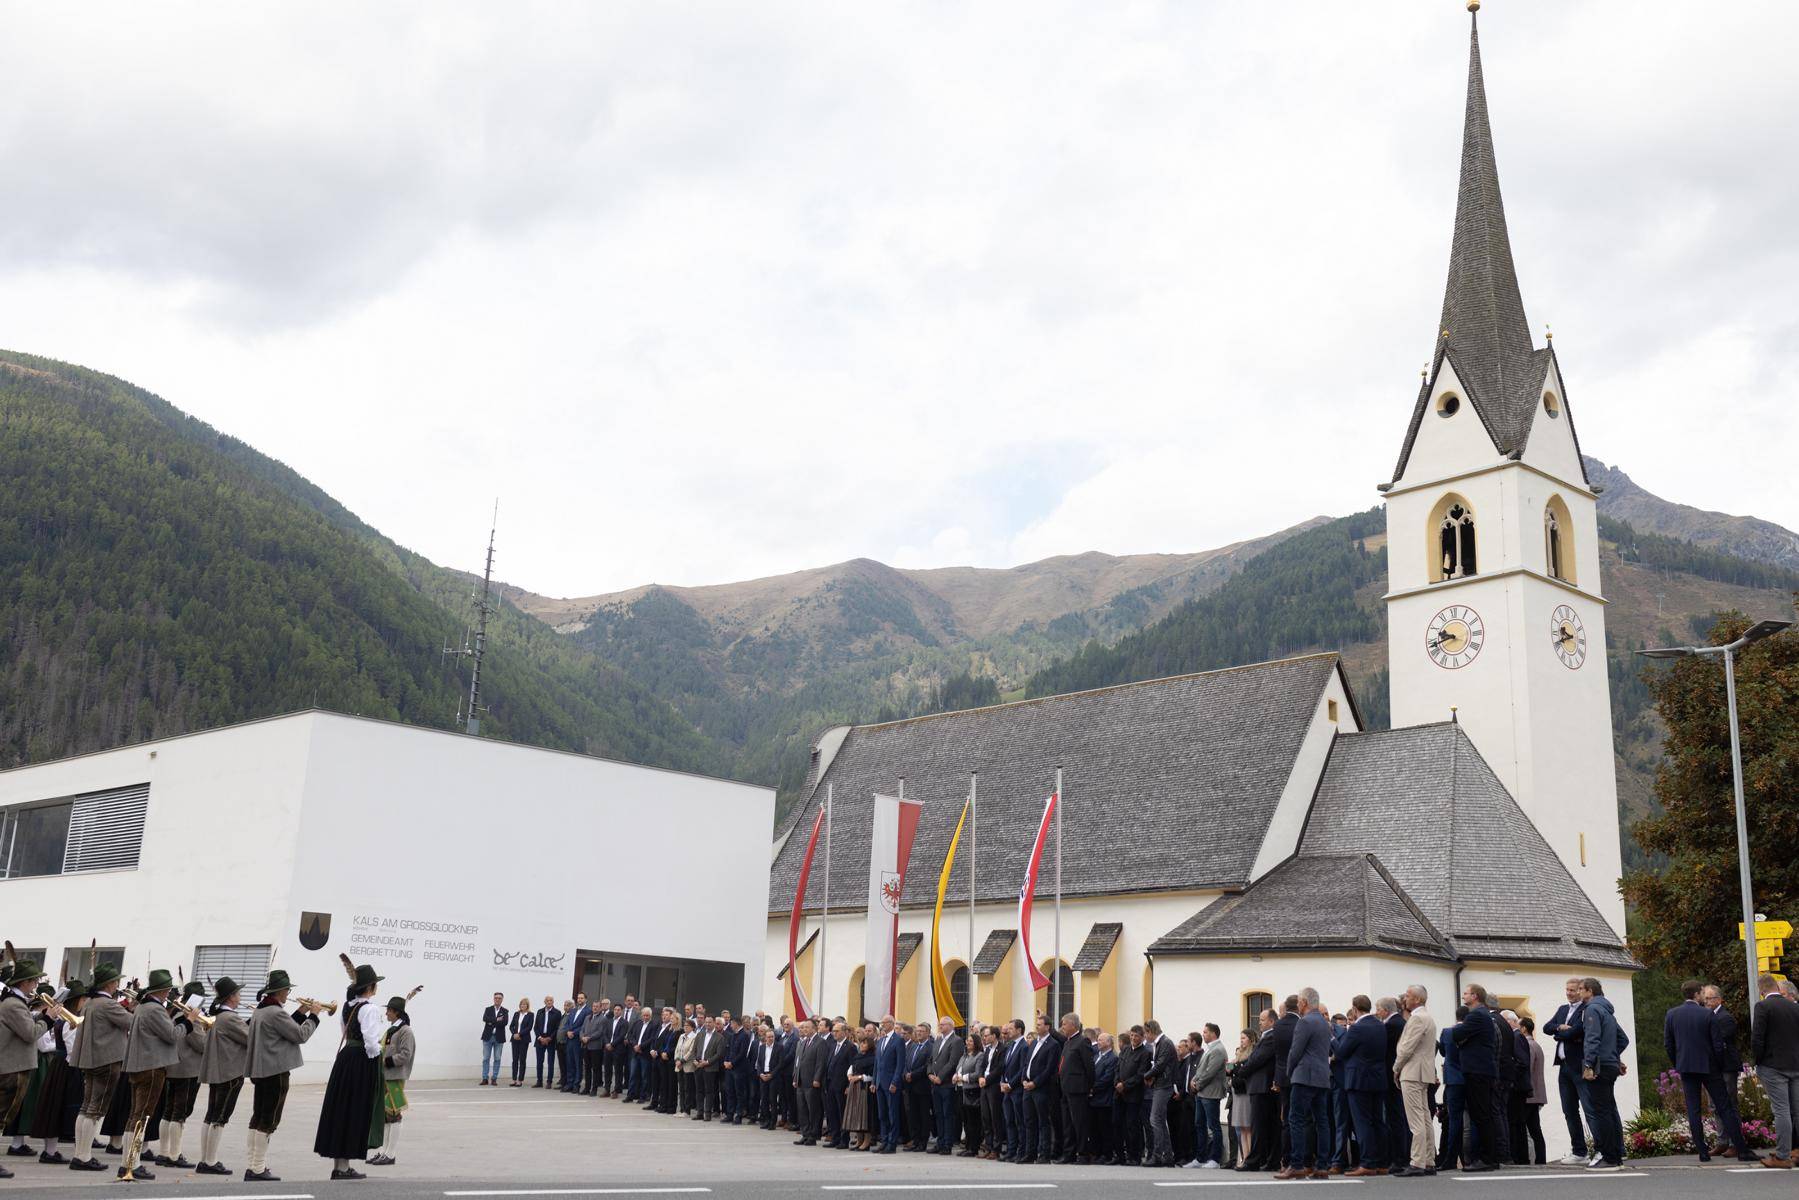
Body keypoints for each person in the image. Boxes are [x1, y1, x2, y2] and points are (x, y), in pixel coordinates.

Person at [243, 971, 321, 1182]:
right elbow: (299, 1035)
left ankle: (252, 1165)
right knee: (269, 1119)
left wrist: (300, 1011)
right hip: (275, 1070)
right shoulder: (276, 1012)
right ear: (279, 991)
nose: (289, 993)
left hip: (262, 1070)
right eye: (287, 990)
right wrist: (313, 1015)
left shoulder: (262, 1010)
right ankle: (258, 1168)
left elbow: (284, 1028)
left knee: (258, 1117)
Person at [312, 962, 386, 1180]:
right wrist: (379, 1055)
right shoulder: (370, 1009)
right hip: (361, 1061)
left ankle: (340, 1166)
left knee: (342, 1109)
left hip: (346, 1058)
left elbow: (345, 1032)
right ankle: (343, 1168)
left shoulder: (348, 1006)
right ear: (371, 987)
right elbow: (371, 1043)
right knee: (354, 1110)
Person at [67, 961, 132, 1173]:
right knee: (96, 1110)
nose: (117, 985)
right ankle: (84, 1157)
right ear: (109, 984)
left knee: (86, 1107)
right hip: (107, 1059)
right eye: (115, 982)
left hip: (90, 1059)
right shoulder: (108, 1004)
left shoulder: (90, 1003)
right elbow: (132, 1023)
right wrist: (136, 1008)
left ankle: (80, 1154)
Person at [117, 968, 179, 1181]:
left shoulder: (142, 1007)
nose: (170, 993)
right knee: (142, 1117)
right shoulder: (155, 1009)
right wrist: (187, 1022)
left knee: (134, 1115)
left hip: (139, 1066)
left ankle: (127, 1162)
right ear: (164, 989)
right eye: (169, 989)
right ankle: (132, 1164)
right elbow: (171, 1035)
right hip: (151, 1067)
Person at [194, 976, 248, 1176]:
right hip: (230, 1071)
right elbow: (250, 1037)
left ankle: (205, 1159)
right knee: (220, 1117)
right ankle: (210, 1160)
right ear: (231, 997)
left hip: (220, 1071)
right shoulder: (230, 1017)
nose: (240, 996)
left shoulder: (220, 1017)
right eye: (238, 993)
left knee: (211, 1116)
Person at [1663, 979, 1720, 1164]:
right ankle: (1741, 1149)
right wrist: (1716, 1063)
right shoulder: (1707, 1014)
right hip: (1708, 1066)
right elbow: (1716, 1044)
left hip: (1686, 1066)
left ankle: (1702, 1151)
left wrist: (1678, 1062)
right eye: (1702, 993)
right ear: (1696, 994)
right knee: (1724, 1105)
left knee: (1693, 1110)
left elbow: (1668, 1044)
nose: (1704, 996)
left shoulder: (1672, 1014)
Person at [0, 959, 47, 1180]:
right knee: (2, 1115)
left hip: (13, 1065)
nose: (36, 984)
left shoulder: (15, 1003)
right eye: (35, 980)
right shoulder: (14, 1004)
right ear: (26, 981)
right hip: (12, 1067)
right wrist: (47, 1019)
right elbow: (29, 1033)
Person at [1277, 988, 1331, 1181]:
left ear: (1305, 1002)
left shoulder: (1305, 1022)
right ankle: (1323, 1166)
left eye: (1299, 1001)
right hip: (1322, 1077)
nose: (1298, 1004)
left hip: (1304, 1076)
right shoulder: (1325, 1024)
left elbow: (1295, 1051)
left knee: (1296, 1119)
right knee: (1322, 1121)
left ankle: (1297, 1164)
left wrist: (1290, 1072)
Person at [29, 979, 85, 1164]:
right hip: (66, 1066)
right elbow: (71, 1047)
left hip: (61, 1065)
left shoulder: (66, 1018)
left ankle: (50, 1151)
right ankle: (50, 1152)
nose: (84, 1002)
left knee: (54, 1107)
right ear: (77, 1001)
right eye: (83, 999)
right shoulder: (70, 1021)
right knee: (56, 1107)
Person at [158, 980, 210, 1169]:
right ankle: (174, 1154)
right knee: (180, 1112)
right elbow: (201, 1044)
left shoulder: (176, 1013)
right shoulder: (192, 1017)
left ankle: (164, 1152)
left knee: (169, 1111)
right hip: (188, 1070)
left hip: (174, 1068)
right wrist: (209, 1033)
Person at [1578, 977, 1626, 1170]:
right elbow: (1623, 1038)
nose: (1580, 992)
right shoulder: (1607, 1011)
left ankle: (1609, 1158)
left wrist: (1588, 1065)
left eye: (1581, 989)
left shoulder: (1591, 1009)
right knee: (1609, 1109)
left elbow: (1592, 1038)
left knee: (1601, 1112)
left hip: (1599, 1066)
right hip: (1610, 1064)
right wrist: (1615, 1057)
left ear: (1590, 991)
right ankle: (1616, 1154)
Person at [1752, 973, 1799, 1169]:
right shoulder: (1794, 1006)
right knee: (1797, 1111)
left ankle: (1782, 1155)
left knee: (1781, 1111)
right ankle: (1794, 1150)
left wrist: (1758, 1062)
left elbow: (1758, 1038)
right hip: (1795, 1065)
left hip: (1773, 1066)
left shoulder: (1763, 1006)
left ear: (1762, 990)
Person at [1541, 978, 1591, 1165]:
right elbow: (1547, 1028)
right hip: (1563, 1067)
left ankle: (1602, 1148)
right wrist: (1560, 1028)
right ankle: (1579, 1151)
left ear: (1580, 991)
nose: (1569, 993)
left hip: (1579, 1065)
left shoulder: (1585, 1009)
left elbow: (1577, 1031)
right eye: (1567, 990)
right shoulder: (1563, 1009)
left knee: (1589, 1108)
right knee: (1569, 1110)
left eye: (1572, 990)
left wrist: (1562, 1033)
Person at [1392, 984, 1438, 1178]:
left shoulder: (1417, 1018)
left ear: (1418, 999)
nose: (1405, 999)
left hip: (1412, 1072)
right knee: (1425, 1118)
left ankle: (1417, 1161)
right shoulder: (1428, 1018)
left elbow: (1407, 1047)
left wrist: (1396, 1068)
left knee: (1416, 1120)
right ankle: (1428, 1160)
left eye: (1409, 996)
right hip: (1424, 1072)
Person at [1454, 985, 1501, 1172]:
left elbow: (1457, 1034)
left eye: (1466, 993)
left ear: (1474, 996)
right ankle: (1487, 1157)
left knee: (1481, 1115)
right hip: (1481, 1070)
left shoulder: (1476, 1015)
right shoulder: (1481, 1015)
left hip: (1477, 1070)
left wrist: (1459, 1031)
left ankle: (1487, 1158)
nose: (1464, 996)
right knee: (1482, 1114)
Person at [1701, 986, 1751, 1161]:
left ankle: (1734, 1143)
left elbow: (1720, 1040)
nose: (1706, 1002)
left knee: (1729, 1104)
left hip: (1726, 1067)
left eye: (1710, 998)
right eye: (1705, 998)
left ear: (1719, 999)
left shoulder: (1725, 1018)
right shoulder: (1707, 1017)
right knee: (1715, 1105)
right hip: (1713, 1068)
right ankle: (1722, 1140)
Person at [1341, 996, 1389, 1177]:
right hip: (1377, 1078)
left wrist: (1332, 1038)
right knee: (1378, 1121)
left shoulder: (1357, 1028)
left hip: (1359, 1080)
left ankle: (1368, 1162)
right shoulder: (1380, 1026)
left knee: (1362, 1123)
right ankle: (1382, 1162)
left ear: (1354, 1009)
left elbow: (1342, 1052)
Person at [368, 995, 416, 1168]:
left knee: (394, 1115)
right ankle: (383, 1152)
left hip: (395, 1077)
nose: (386, 1013)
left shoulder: (405, 1031)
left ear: (396, 1012)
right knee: (386, 1116)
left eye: (388, 1010)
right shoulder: (391, 1030)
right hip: (385, 1077)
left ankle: (391, 1153)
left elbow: (405, 1054)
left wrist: (385, 1061)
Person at [1237, 1010, 1278, 1172]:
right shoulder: (1266, 1037)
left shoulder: (1271, 1037)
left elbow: (1256, 1059)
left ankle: (1254, 1160)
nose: (1259, 1022)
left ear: (1272, 1022)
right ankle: (1267, 1159)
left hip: (1262, 1086)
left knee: (1259, 1125)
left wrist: (1240, 1070)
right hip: (1259, 1086)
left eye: (1262, 1020)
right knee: (1265, 1125)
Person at [1142, 1019, 1176, 1167]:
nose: (1145, 1036)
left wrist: (1146, 1075)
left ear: (1150, 1031)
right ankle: (1167, 1156)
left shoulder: (1165, 1043)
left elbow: (1160, 1064)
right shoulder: (1161, 1043)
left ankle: (1157, 1155)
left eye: (1145, 1033)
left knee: (1154, 1119)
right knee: (1160, 1121)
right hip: (1161, 1084)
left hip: (1164, 1085)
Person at [1434, 1007, 1465, 1171]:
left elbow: (1444, 1053)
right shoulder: (1472, 1030)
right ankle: (1469, 1157)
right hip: (1470, 1078)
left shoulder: (1447, 1032)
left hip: (1453, 1079)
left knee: (1454, 1120)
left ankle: (1450, 1158)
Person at [1191, 1023, 1226, 1168]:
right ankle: (1200, 1158)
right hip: (1202, 1093)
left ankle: (1215, 1159)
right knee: (1200, 1125)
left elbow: (1210, 1072)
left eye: (1205, 1032)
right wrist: (1193, 1080)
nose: (1203, 1034)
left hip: (1210, 1093)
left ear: (1213, 1034)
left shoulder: (1218, 1049)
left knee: (1213, 1126)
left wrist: (1197, 1084)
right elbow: (1201, 1070)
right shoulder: (1210, 1049)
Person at [928, 1017, 961, 1155]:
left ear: (950, 1025)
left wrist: (940, 1077)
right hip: (935, 1084)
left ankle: (947, 1143)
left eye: (942, 1024)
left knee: (948, 1114)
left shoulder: (956, 1041)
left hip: (946, 1084)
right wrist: (930, 1073)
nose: (940, 1026)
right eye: (939, 1024)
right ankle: (940, 1142)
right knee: (938, 1114)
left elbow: (952, 1062)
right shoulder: (938, 1040)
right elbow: (930, 1060)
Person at [792, 1018, 827, 1146]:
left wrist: (817, 1079)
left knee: (813, 1110)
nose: (805, 1030)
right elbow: (797, 1062)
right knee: (802, 1110)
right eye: (803, 1027)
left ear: (814, 1028)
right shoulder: (802, 1042)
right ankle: (805, 1134)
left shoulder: (820, 1043)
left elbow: (820, 1063)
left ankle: (813, 1135)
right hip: (800, 1081)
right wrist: (795, 1078)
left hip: (812, 1082)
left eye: (807, 1027)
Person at [1115, 1025, 1146, 1165]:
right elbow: (1117, 1069)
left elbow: (1140, 1075)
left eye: (1136, 1036)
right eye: (1132, 1035)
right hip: (1119, 1094)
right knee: (1119, 1125)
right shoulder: (1126, 1050)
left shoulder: (1144, 1053)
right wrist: (1117, 1082)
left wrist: (1125, 1085)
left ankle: (1135, 1156)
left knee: (1132, 1126)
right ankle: (1122, 1155)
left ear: (1142, 1037)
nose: (1133, 1038)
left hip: (1133, 1095)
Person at [1519, 1017, 1547, 1164]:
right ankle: (1540, 1159)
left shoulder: (1528, 1045)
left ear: (1524, 1028)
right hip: (1537, 1094)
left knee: (1527, 1129)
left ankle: (1530, 1159)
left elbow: (1527, 1068)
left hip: (1530, 1094)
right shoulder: (1536, 1044)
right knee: (1535, 1128)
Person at [843, 1030, 874, 1151]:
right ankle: (859, 1140)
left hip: (864, 1088)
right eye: (861, 1043)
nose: (862, 1045)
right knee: (856, 1115)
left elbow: (872, 1074)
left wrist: (860, 1077)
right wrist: (850, 1076)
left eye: (865, 1043)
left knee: (864, 1115)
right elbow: (851, 1068)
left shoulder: (872, 1058)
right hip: (854, 1087)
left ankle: (867, 1141)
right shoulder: (858, 1056)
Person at [1227, 1030, 1253, 1168]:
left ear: (1250, 1039)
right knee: (1241, 1127)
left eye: (1244, 1038)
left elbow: (1244, 1074)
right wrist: (1230, 1064)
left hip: (1245, 1092)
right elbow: (1229, 1070)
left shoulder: (1250, 1055)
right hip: (1237, 1093)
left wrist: (1234, 1080)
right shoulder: (1239, 1055)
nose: (1241, 1041)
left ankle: (1249, 1157)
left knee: (1247, 1127)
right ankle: (1243, 1157)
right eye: (1240, 1038)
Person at [1091, 1031, 1117, 1164]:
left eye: (1101, 1040)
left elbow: (1107, 1078)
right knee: (1094, 1128)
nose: (1098, 1042)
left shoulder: (1112, 1058)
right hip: (1093, 1099)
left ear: (1108, 1042)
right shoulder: (1096, 1056)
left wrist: (1092, 1088)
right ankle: (1096, 1152)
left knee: (1104, 1128)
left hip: (1104, 1099)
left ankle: (1106, 1154)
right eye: (1098, 1040)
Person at [956, 1032, 984, 1156]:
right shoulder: (964, 1056)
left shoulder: (979, 1056)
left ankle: (974, 1147)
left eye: (971, 1041)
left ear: (976, 1043)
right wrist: (955, 1076)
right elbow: (958, 1069)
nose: (968, 1043)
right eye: (967, 1041)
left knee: (973, 1122)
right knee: (966, 1121)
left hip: (973, 1090)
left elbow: (978, 1073)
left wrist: (963, 1077)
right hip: (962, 1090)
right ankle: (968, 1146)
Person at [559, 994, 588, 1094]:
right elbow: (567, 1024)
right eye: (578, 998)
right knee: (569, 1062)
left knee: (577, 1063)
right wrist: (567, 1031)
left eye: (581, 998)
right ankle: (569, 1083)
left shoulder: (587, 1011)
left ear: (585, 999)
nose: (579, 999)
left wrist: (574, 1033)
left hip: (577, 1040)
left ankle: (576, 1084)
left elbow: (584, 1026)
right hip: (569, 1040)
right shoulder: (573, 1010)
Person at [533, 995, 561, 1089]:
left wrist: (549, 1038)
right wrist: (540, 1037)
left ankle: (549, 1082)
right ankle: (539, 1081)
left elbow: (557, 1028)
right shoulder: (540, 1012)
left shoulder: (557, 1013)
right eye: (547, 1000)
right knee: (539, 1062)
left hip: (551, 1040)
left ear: (553, 1002)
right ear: (544, 1002)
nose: (549, 1002)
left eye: (551, 1000)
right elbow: (536, 1027)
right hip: (540, 1040)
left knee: (550, 1062)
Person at [507, 997, 533, 1087]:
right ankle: (514, 1079)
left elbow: (529, 1027)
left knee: (522, 1059)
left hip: (524, 1039)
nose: (523, 1005)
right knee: (514, 1060)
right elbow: (511, 1026)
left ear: (527, 1006)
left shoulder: (530, 1015)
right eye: (522, 1004)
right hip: (514, 1039)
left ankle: (520, 1080)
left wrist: (519, 1034)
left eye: (525, 1004)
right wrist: (514, 1034)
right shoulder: (516, 1014)